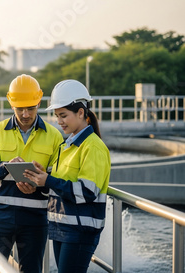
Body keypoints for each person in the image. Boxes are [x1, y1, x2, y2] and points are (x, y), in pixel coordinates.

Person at [0, 74, 63, 273]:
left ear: (39, 102)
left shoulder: (54, 136)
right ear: (11, 103)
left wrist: (41, 181)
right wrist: (6, 166)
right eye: (20, 109)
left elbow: (59, 177)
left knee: (31, 270)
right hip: (0, 215)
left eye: (31, 108)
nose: (25, 114)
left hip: (35, 217)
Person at [23, 79, 111, 273]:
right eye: (56, 116)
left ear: (81, 113)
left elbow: (87, 192)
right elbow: (61, 183)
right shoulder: (67, 145)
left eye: (63, 115)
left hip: (80, 231)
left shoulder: (93, 147)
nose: (59, 121)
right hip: (62, 228)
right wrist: (42, 176)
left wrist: (49, 180)